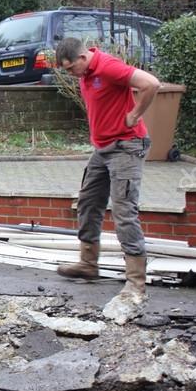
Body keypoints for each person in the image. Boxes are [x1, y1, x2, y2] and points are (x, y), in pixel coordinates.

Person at [54, 37, 161, 322]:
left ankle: (136, 283)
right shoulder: (86, 73)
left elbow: (151, 83)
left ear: (82, 57)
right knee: (88, 202)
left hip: (127, 145)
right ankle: (88, 263)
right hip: (103, 149)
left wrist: (135, 114)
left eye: (70, 69)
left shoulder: (109, 67)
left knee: (124, 212)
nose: (70, 74)